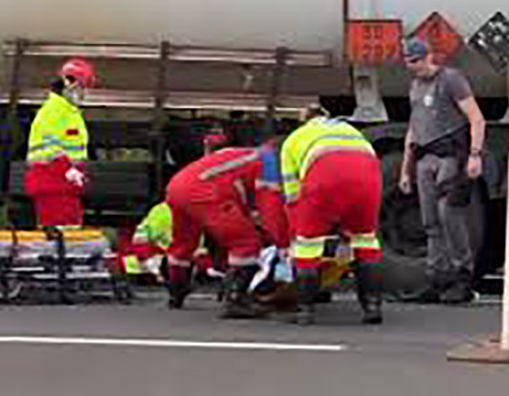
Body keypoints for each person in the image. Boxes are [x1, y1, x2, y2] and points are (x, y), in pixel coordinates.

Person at [398, 39, 486, 304]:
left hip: (450, 155)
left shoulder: (450, 80)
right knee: (430, 221)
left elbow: (476, 118)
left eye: (415, 60)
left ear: (428, 57)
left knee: (450, 214)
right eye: (408, 61)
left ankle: (464, 277)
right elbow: (413, 131)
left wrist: (474, 155)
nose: (412, 66)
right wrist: (405, 169)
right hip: (425, 156)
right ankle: (437, 279)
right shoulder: (415, 87)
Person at [281, 104, 383, 325]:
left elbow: (292, 196)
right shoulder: (350, 131)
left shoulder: (294, 139)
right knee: (366, 239)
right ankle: (372, 306)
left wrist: (294, 235)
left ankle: (305, 310)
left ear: (305, 121)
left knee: (308, 244)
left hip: (324, 178)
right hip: (368, 178)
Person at [164, 139, 289, 318]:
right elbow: (270, 207)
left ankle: (176, 291)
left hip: (177, 186)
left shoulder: (243, 154)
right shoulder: (269, 161)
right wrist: (282, 241)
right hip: (207, 193)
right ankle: (235, 300)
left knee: (184, 242)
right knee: (246, 243)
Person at [23, 58, 95, 228]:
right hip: (53, 184)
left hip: (63, 186)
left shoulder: (68, 113)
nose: (83, 94)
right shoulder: (53, 112)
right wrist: (68, 170)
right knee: (63, 235)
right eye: (81, 88)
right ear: (67, 84)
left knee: (67, 234)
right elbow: (48, 149)